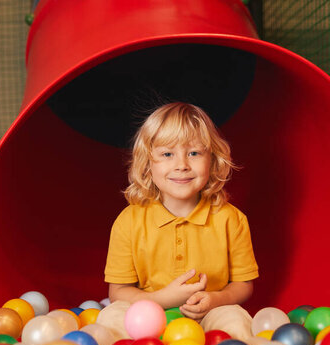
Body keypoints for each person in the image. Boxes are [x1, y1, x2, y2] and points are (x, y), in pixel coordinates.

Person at [104, 102, 259, 321]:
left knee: (235, 318)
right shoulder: (128, 221)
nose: (182, 165)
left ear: (212, 160)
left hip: (209, 313)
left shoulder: (230, 219)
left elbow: (243, 285)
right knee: (111, 316)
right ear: (148, 164)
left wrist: (214, 300)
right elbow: (117, 293)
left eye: (194, 153)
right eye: (167, 154)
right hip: (147, 313)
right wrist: (165, 298)